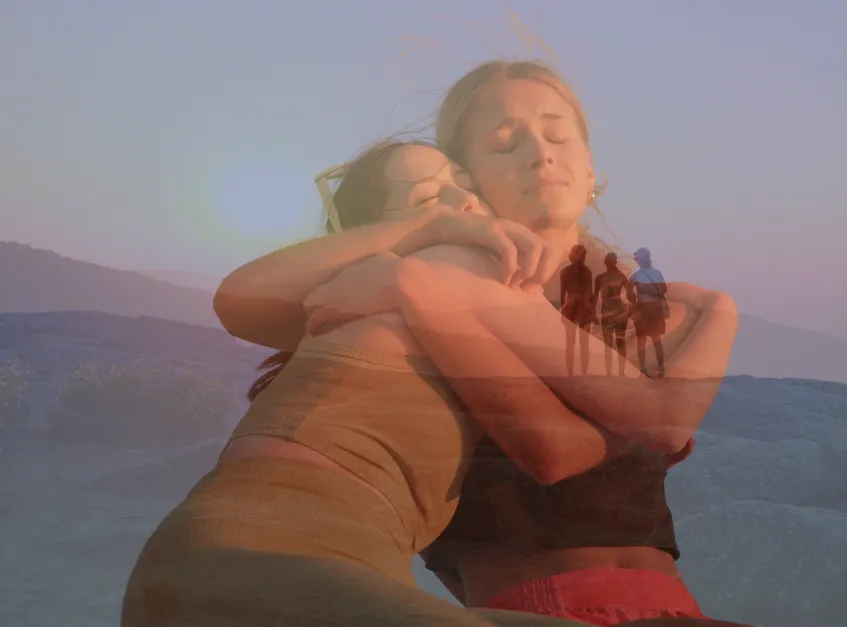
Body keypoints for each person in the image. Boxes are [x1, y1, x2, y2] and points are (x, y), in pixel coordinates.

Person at [212, 60, 740, 625]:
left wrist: (720, 315)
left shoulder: (646, 308)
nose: (542, 154)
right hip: (539, 609)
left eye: (559, 135)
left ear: (591, 166)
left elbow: (656, 425)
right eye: (505, 145)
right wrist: (424, 253)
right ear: (477, 182)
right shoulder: (439, 282)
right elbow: (243, 296)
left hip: (675, 609)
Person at [629, 247, 669, 377]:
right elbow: (664, 289)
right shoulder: (657, 273)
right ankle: (661, 368)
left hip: (642, 308)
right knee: (656, 339)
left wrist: (641, 292)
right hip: (655, 308)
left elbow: (629, 294)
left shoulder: (635, 275)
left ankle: (642, 368)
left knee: (641, 339)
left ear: (638, 260)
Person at [558, 243, 596, 375]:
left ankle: (570, 374)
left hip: (569, 308)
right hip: (584, 310)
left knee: (570, 343)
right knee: (584, 344)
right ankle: (583, 374)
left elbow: (562, 295)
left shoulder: (564, 272)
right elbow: (589, 295)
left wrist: (563, 310)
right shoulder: (588, 273)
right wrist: (592, 311)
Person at [594, 252, 632, 376]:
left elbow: (594, 298)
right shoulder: (621, 276)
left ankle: (609, 372)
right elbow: (631, 295)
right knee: (620, 342)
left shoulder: (600, 278)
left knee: (608, 343)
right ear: (615, 262)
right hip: (620, 311)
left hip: (607, 312)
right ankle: (621, 372)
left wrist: (593, 314)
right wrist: (630, 309)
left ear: (605, 263)